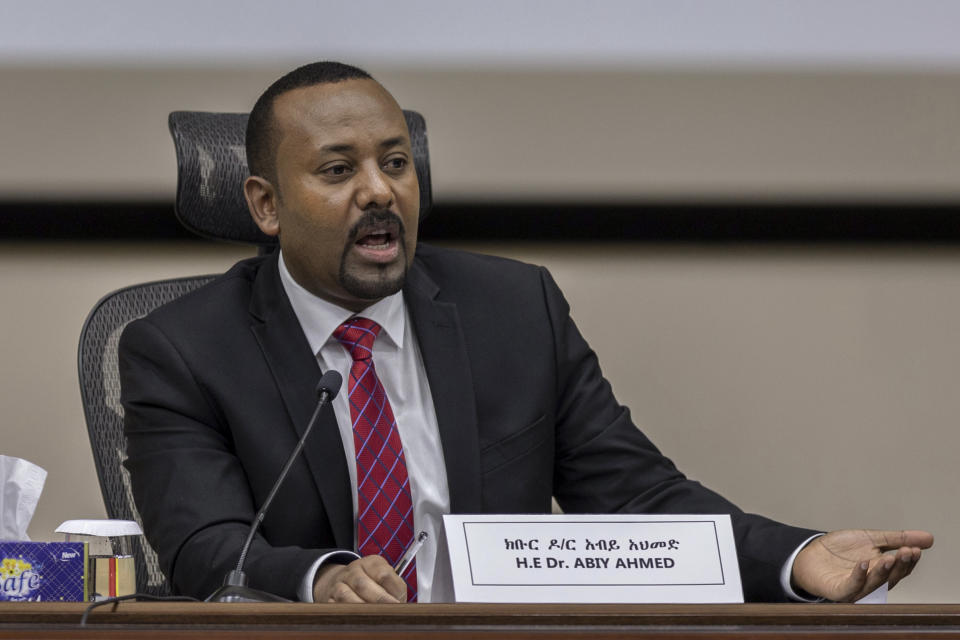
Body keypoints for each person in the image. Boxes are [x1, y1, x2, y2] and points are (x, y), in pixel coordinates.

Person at [119, 61, 932, 605]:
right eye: (338, 171)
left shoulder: (513, 308)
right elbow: (205, 546)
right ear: (265, 205)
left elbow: (635, 499)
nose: (380, 192)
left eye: (396, 164)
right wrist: (322, 577)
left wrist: (796, 559)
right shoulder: (183, 349)